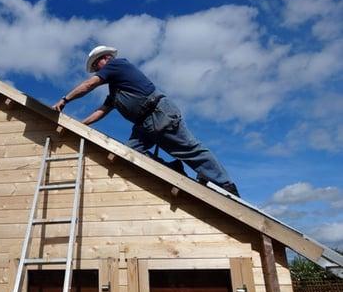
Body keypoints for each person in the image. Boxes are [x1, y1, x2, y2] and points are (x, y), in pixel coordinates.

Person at [52, 45, 240, 196]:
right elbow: (101, 111)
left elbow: (89, 84)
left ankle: (225, 184)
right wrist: (80, 125)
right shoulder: (116, 91)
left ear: (104, 59)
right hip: (144, 125)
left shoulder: (117, 65)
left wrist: (64, 99)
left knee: (187, 148)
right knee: (131, 153)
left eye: (95, 67)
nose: (95, 71)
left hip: (158, 112)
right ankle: (173, 168)